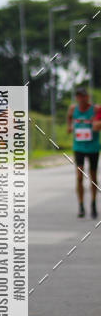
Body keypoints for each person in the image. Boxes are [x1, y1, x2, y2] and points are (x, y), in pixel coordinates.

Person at [66, 87, 100, 218]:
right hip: (78, 147)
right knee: (79, 176)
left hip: (93, 147)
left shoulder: (95, 109)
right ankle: (80, 205)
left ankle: (93, 203)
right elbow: (69, 117)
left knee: (93, 177)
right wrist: (69, 126)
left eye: (83, 96)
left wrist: (96, 124)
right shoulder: (72, 109)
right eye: (78, 96)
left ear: (87, 98)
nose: (81, 99)